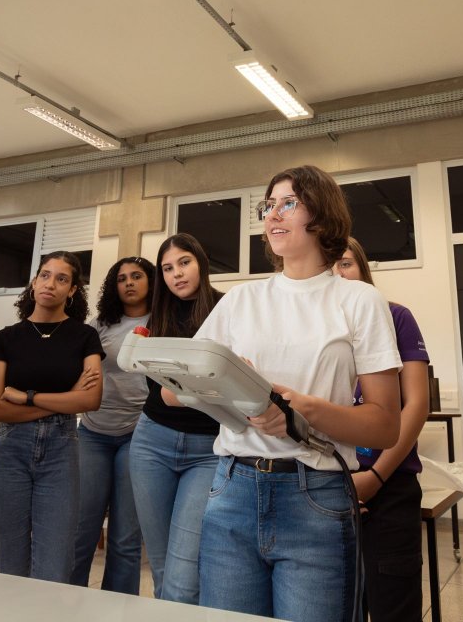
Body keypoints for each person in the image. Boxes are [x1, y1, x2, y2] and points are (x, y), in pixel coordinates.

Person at [194, 165, 402, 622]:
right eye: (268, 206)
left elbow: (385, 425)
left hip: (316, 494)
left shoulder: (359, 300)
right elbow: (180, 391)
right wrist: (232, 384)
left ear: (322, 217)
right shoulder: (240, 300)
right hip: (232, 488)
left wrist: (301, 409)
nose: (273, 215)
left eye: (288, 203)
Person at [0, 250, 103, 582]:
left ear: (73, 290)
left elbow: (90, 399)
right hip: (10, 449)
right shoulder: (7, 337)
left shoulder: (85, 337)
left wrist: (27, 397)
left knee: (56, 564)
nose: (51, 284)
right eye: (45, 275)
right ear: (34, 281)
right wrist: (65, 400)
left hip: (62, 450)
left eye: (62, 279)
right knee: (8, 564)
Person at [333, 236, 430, 622]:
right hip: (330, 488)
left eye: (345, 263)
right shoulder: (315, 330)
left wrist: (373, 478)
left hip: (389, 485)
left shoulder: (395, 317)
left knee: (394, 605)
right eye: (329, 267)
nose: (338, 274)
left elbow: (417, 405)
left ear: (362, 268)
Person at [128, 233, 223, 603]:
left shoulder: (227, 308)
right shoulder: (158, 317)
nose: (177, 274)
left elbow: (228, 384)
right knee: (162, 569)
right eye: (167, 268)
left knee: (184, 577)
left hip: (208, 450)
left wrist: (181, 390)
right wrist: (194, 388)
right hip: (151, 442)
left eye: (184, 263)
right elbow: (159, 392)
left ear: (201, 262)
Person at [70, 256, 156, 593]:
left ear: (151, 281)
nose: (129, 283)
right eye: (122, 278)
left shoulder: (162, 321)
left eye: (136, 276)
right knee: (81, 529)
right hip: (93, 433)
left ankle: (118, 609)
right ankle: (64, 604)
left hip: (140, 434)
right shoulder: (100, 325)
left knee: (125, 536)